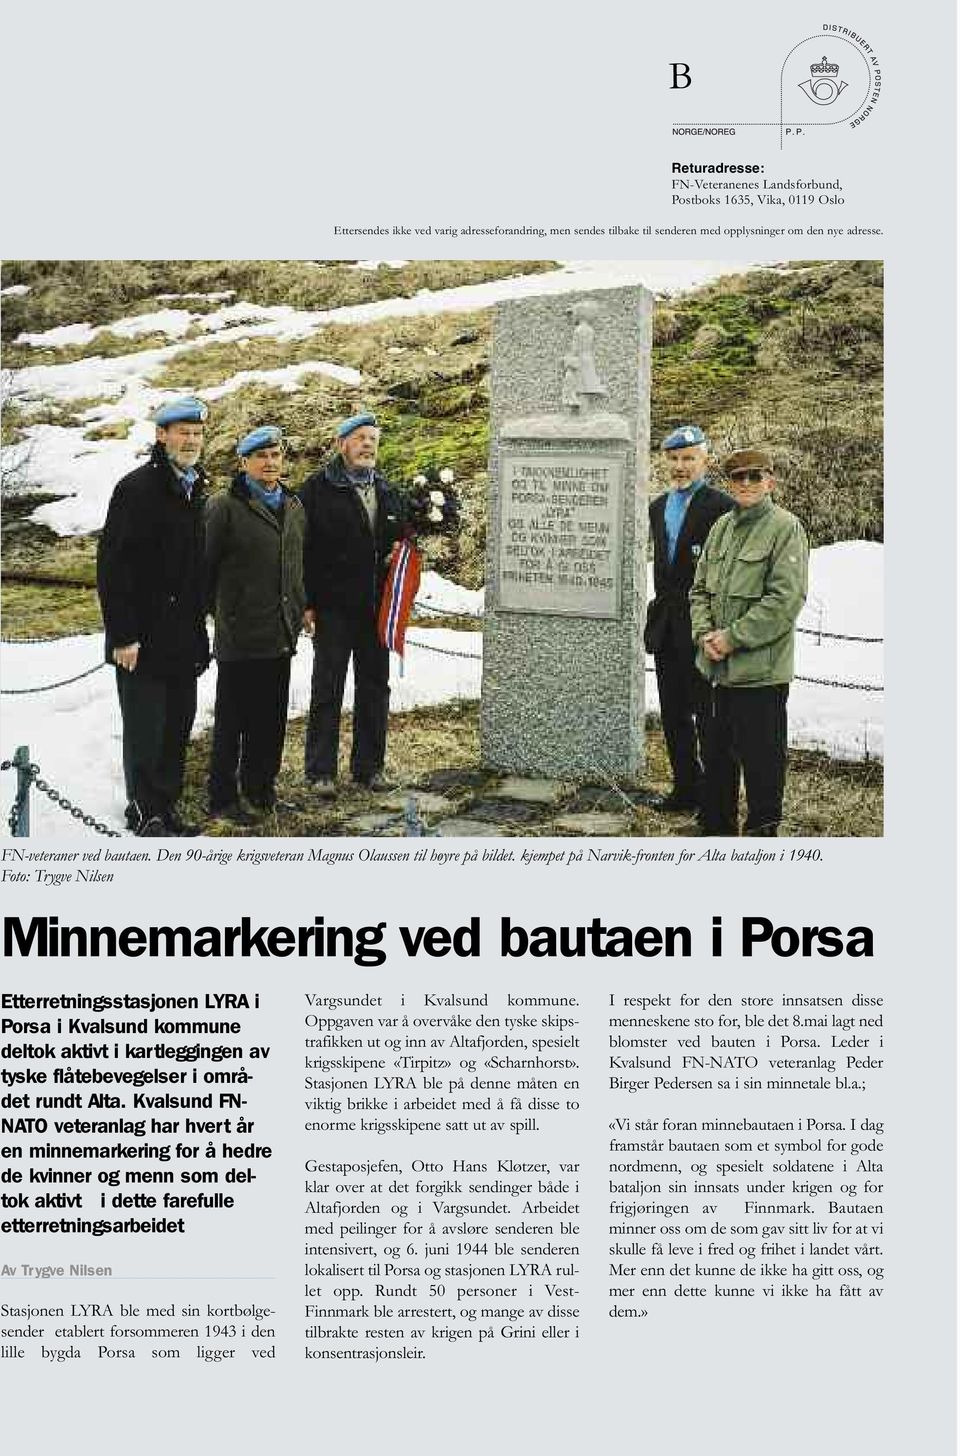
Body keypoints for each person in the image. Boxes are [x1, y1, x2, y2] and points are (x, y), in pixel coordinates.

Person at [96, 396, 211, 837]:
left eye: (197, 433)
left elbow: (195, 572)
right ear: (161, 436)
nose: (191, 440)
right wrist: (123, 635)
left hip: (182, 635)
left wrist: (200, 636)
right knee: (146, 729)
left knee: (177, 726)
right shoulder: (137, 488)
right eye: (183, 432)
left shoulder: (194, 488)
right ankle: (145, 811)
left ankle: (167, 805)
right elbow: (114, 567)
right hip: (142, 636)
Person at [689, 447, 809, 837]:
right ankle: (717, 834)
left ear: (769, 482)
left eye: (754, 477)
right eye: (738, 478)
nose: (745, 484)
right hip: (717, 673)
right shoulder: (721, 527)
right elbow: (700, 590)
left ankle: (761, 841)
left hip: (760, 676)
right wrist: (704, 634)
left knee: (762, 766)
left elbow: (783, 602)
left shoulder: (785, 528)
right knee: (717, 761)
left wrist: (732, 638)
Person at [298, 412, 405, 795]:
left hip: (376, 610)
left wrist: (397, 554)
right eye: (359, 437)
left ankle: (369, 768)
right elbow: (302, 551)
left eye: (373, 439)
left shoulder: (389, 491)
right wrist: (307, 603)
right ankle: (320, 771)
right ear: (341, 443)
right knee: (328, 687)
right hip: (332, 609)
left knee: (375, 687)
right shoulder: (315, 490)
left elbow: (400, 539)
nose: (367, 445)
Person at [205, 425, 306, 824]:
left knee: (271, 720)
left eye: (276, 455)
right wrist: (217, 615)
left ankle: (261, 790)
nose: (270, 463)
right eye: (261, 456)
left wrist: (299, 609)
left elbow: (299, 564)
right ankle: (223, 798)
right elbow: (205, 568)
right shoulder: (224, 506)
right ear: (244, 462)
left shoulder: (294, 505)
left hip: (280, 632)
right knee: (233, 722)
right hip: (239, 634)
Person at [644, 425, 732, 813]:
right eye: (675, 459)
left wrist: (715, 627)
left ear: (704, 461)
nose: (681, 467)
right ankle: (685, 789)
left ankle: (713, 797)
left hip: (702, 628)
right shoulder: (657, 507)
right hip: (666, 628)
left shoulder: (723, 507)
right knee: (674, 714)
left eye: (689, 459)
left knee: (708, 719)